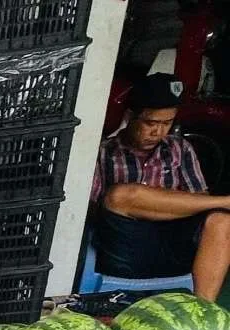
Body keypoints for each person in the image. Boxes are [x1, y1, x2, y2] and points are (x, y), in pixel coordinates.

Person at [90, 72, 230, 301]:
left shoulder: (180, 149)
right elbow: (94, 212)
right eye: (150, 123)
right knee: (121, 195)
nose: (158, 132)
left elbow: (199, 201)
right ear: (130, 116)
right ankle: (226, 200)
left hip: (173, 244)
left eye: (167, 123)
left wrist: (162, 205)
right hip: (126, 247)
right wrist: (144, 204)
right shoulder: (105, 152)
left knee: (222, 220)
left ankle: (203, 310)